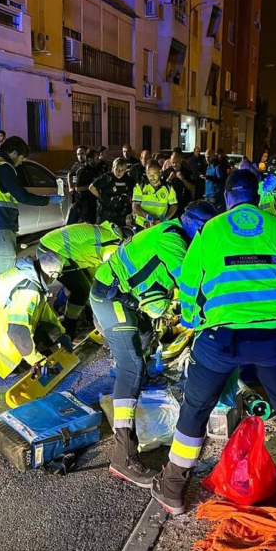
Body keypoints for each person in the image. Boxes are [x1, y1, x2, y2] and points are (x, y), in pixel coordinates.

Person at [151, 170, 276, 515]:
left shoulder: (210, 230)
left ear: (227, 197)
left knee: (196, 408)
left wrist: (192, 320)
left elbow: (188, 284)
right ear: (257, 196)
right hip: (271, 337)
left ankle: (172, 489)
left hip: (220, 339)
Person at [90, 201, 217, 488]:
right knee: (132, 366)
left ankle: (134, 382)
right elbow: (191, 285)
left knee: (146, 340)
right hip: (111, 297)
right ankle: (122, 457)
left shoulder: (174, 233)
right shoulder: (173, 240)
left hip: (129, 296)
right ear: (196, 227)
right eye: (207, 231)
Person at [0, 135, 63, 276]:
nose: (21, 162)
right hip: (1, 225)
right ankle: (2, 298)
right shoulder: (4, 167)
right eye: (22, 157)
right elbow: (22, 196)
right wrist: (49, 200)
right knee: (6, 273)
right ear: (14, 153)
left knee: (0, 268)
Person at [37, 221, 127, 339]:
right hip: (53, 253)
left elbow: (93, 275)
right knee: (82, 290)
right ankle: (69, 326)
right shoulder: (112, 250)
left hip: (55, 247)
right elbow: (102, 279)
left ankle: (73, 312)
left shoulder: (110, 237)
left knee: (85, 285)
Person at [132, 161, 178, 228]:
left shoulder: (168, 187)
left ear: (160, 172)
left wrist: (165, 219)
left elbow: (174, 205)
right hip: (142, 225)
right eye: (149, 174)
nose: (152, 177)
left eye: (155, 174)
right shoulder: (140, 186)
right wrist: (146, 215)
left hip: (159, 225)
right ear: (146, 172)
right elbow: (135, 206)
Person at [90, 157, 133, 228]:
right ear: (113, 168)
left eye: (121, 170)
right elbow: (92, 188)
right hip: (106, 214)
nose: (119, 172)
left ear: (125, 170)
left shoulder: (128, 180)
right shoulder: (107, 178)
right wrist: (102, 197)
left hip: (120, 215)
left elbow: (131, 194)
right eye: (117, 169)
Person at [68, 147, 102, 225]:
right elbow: (77, 188)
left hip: (93, 202)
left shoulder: (97, 169)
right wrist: (92, 187)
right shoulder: (82, 171)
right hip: (83, 203)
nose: (98, 160)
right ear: (90, 159)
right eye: (96, 159)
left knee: (92, 225)